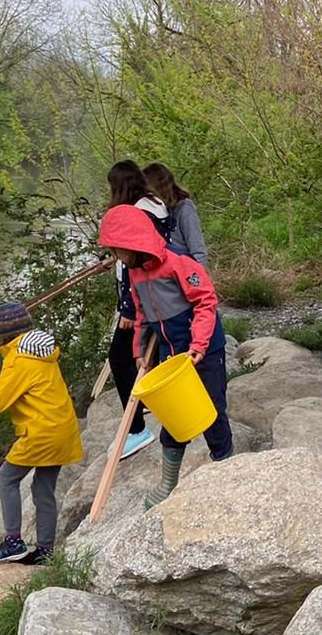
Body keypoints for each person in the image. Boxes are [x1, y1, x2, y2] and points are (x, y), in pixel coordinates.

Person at [98, 203, 232, 507]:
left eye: (118, 250)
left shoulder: (177, 264)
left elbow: (206, 301)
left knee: (212, 409)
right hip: (170, 353)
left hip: (205, 349)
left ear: (134, 244)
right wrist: (140, 352)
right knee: (173, 416)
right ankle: (169, 481)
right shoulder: (136, 274)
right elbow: (142, 313)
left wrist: (198, 345)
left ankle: (225, 464)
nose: (117, 257)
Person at [0, 301, 83, 565]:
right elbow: (12, 381)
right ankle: (46, 552)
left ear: (3, 333)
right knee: (43, 490)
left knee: (6, 479)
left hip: (41, 432)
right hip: (62, 429)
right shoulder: (38, 351)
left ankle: (14, 541)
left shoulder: (18, 359)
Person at [106, 160, 168, 461]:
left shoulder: (140, 211)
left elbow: (140, 259)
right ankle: (146, 410)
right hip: (152, 294)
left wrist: (129, 309)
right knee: (146, 355)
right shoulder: (154, 203)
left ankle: (138, 428)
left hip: (142, 298)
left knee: (120, 357)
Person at [143, 162, 208, 268]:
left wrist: (193, 280)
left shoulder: (184, 208)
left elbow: (198, 252)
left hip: (185, 275)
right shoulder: (153, 214)